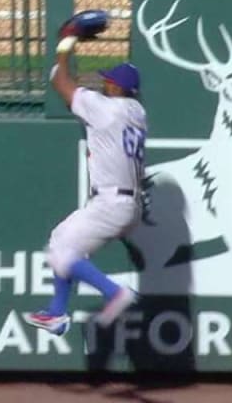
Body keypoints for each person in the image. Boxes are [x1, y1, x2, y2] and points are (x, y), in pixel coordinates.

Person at [25, 32, 147, 336]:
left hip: (111, 202)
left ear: (118, 88)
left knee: (61, 253)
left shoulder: (106, 109)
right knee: (60, 239)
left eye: (109, 81)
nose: (104, 84)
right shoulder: (137, 112)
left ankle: (114, 292)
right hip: (129, 204)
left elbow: (61, 83)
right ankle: (56, 313)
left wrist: (66, 46)